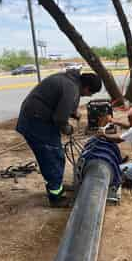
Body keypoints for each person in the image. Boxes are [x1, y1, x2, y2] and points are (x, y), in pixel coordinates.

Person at [16, 70, 102, 206]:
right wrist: (68, 129)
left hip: (37, 118)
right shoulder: (71, 88)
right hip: (36, 123)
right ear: (86, 88)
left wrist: (73, 113)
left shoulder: (70, 81)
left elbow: (58, 101)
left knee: (55, 156)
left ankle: (57, 186)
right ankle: (56, 197)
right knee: (53, 157)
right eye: (91, 93)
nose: (89, 95)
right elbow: (60, 119)